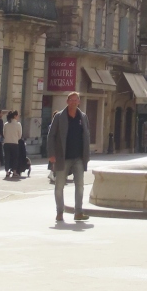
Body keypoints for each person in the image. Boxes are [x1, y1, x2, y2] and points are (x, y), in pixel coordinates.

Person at [46, 91, 91, 223]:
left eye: (76, 100)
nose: (73, 102)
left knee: (80, 185)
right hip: (62, 157)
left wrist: (86, 155)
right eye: (71, 100)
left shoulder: (83, 117)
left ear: (79, 102)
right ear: (67, 101)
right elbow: (51, 136)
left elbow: (86, 136)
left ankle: (78, 212)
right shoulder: (59, 117)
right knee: (59, 185)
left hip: (78, 157)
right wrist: (51, 154)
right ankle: (60, 212)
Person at [2, 111, 23, 179]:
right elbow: (20, 135)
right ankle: (14, 171)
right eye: (17, 115)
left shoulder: (6, 124)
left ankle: (7, 172)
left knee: (7, 158)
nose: (18, 117)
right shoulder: (18, 124)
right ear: (15, 116)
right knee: (15, 158)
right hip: (14, 143)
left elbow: (4, 134)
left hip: (6, 143)